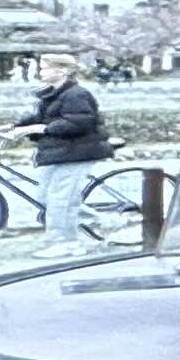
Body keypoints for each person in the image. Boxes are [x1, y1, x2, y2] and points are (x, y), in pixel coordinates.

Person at [25, 54, 109, 244]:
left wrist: (44, 129)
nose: (40, 72)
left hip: (77, 152)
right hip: (59, 152)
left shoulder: (77, 94)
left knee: (60, 201)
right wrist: (13, 127)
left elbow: (80, 122)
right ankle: (101, 220)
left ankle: (66, 243)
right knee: (44, 196)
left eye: (45, 68)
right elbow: (40, 119)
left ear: (62, 70)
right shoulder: (53, 93)